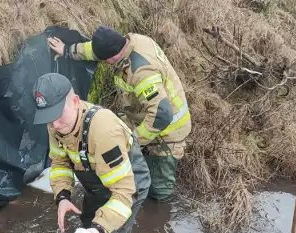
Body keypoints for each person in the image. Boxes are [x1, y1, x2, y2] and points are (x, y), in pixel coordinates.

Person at [48, 26, 191, 202]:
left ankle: (159, 216)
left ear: (112, 56)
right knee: (135, 171)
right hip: (141, 117)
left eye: (104, 59)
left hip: (168, 130)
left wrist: (133, 141)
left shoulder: (141, 73)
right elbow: (94, 51)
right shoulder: (130, 41)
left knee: (159, 191)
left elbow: (161, 115)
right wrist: (68, 50)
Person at [33, 73, 150, 233]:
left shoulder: (104, 131)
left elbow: (124, 193)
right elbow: (59, 163)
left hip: (127, 188)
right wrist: (62, 197)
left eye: (59, 115)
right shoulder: (55, 125)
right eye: (49, 118)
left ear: (76, 102)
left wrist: (100, 230)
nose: (55, 125)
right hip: (96, 187)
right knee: (86, 228)